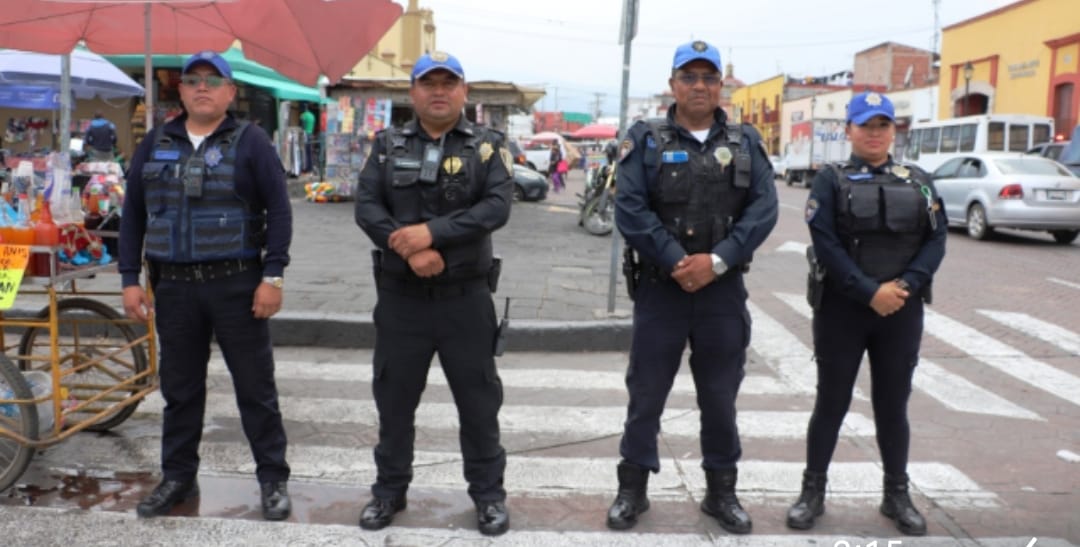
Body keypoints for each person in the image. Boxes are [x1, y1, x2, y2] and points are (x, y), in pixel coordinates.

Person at [607, 40, 778, 535]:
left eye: (708, 77)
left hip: (722, 294)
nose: (699, 86)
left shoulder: (746, 141)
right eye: (689, 76)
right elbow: (630, 209)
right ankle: (632, 489)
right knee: (646, 393)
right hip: (663, 289)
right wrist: (678, 259)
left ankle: (721, 492)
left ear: (720, 85)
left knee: (720, 397)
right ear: (672, 84)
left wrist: (720, 260)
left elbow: (763, 210)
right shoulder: (645, 139)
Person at [119, 50, 293, 522]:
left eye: (213, 81)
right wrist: (129, 280)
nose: (202, 87)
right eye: (193, 80)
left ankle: (272, 478)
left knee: (255, 389)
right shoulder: (155, 142)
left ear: (230, 93)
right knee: (180, 389)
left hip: (237, 284)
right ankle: (177, 477)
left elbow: (279, 210)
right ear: (180, 91)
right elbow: (133, 212)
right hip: (172, 288)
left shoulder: (252, 141)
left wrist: (272, 277)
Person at [354, 51, 514, 537]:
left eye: (449, 83)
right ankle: (389, 492)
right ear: (413, 93)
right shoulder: (385, 145)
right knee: (395, 401)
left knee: (479, 403)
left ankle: (488, 497)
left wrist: (432, 234)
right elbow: (366, 206)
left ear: (464, 92)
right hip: (402, 299)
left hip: (465, 300)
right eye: (429, 83)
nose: (439, 91)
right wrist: (409, 250)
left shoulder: (487, 146)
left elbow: (497, 206)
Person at [787, 91, 947, 536]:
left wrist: (906, 286)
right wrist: (868, 292)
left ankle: (896, 493)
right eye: (865, 125)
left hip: (900, 309)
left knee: (893, 405)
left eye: (882, 125)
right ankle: (812, 491)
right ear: (849, 130)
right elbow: (826, 244)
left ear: (893, 130)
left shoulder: (917, 180)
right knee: (832, 402)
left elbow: (936, 239)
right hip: (843, 310)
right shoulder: (831, 180)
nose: (874, 133)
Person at [300, 103, 316, 174]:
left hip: (305, 135)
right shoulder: (312, 116)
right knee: (310, 152)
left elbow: (302, 126)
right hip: (311, 134)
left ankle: (306, 168)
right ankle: (311, 167)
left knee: (305, 152)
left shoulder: (303, 115)